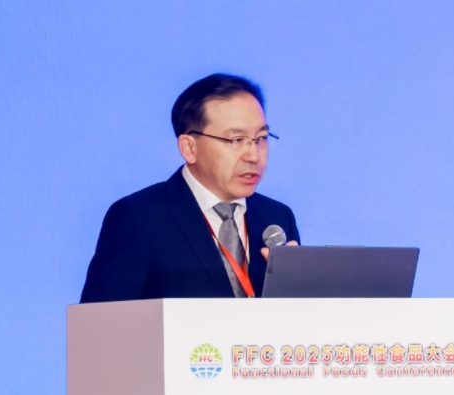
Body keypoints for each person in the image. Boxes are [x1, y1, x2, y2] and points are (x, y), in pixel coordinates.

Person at [80, 73, 300, 303]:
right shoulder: (139, 218)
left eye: (261, 138)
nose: (254, 155)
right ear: (189, 148)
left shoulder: (277, 218)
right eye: (236, 140)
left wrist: (298, 289)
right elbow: (99, 320)